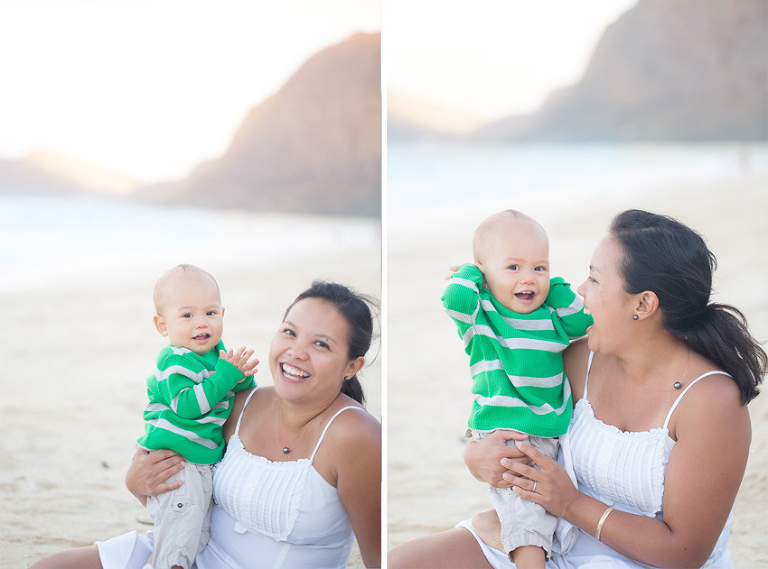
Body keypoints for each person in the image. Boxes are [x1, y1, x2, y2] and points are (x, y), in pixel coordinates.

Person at [390, 209, 765, 569]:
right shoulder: (576, 355)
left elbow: (683, 551)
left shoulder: (710, 401)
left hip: (643, 558)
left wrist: (570, 503)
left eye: (595, 279)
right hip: (553, 537)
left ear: (643, 304)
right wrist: (476, 454)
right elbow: (505, 404)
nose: (580, 290)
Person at [30, 280, 382, 569]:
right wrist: (137, 483)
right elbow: (189, 500)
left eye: (321, 344)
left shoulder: (355, 435)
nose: (296, 352)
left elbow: (377, 557)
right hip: (182, 555)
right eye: (289, 333)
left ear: (351, 366)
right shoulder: (241, 403)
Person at [441, 210, 592, 566]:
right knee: (529, 525)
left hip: (551, 434)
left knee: (542, 516)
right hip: (509, 435)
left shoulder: (550, 318)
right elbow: (454, 298)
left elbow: (584, 318)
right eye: (513, 268)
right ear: (485, 274)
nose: (529, 278)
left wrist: (554, 287)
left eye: (540, 268)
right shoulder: (483, 318)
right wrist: (470, 273)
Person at [136, 264, 258, 569]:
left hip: (199, 461)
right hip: (176, 462)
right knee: (179, 543)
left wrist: (241, 376)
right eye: (187, 315)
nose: (200, 323)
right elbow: (187, 406)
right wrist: (226, 377)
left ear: (222, 315)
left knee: (193, 538)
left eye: (210, 313)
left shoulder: (216, 354)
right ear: (163, 326)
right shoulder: (174, 361)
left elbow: (237, 396)